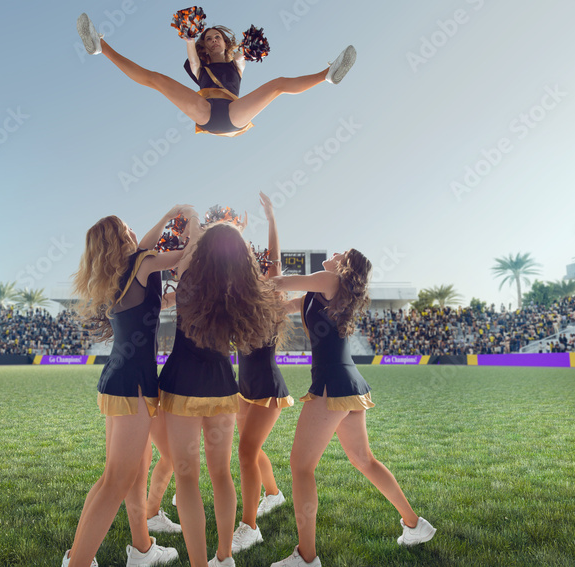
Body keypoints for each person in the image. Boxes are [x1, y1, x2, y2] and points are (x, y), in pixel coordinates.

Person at [271, 250, 435, 567]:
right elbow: (280, 305)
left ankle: (306, 558)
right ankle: (415, 525)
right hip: (349, 384)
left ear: (343, 266)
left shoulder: (328, 280)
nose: (332, 253)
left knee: (301, 467)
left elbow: (278, 282)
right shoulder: (317, 292)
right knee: (364, 460)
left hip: (332, 384)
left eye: (340, 253)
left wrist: (239, 280)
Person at [61, 206, 194, 567]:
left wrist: (169, 215)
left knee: (122, 475)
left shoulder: (123, 271)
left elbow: (145, 250)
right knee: (117, 481)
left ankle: (142, 550)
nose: (136, 232)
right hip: (134, 384)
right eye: (128, 229)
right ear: (120, 239)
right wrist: (192, 221)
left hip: (118, 381)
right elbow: (185, 255)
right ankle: (79, 563)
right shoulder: (142, 264)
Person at [158, 221, 283, 567]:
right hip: (222, 385)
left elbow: (185, 247)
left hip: (181, 382)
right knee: (222, 474)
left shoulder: (187, 280)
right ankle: (224, 557)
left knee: (186, 477)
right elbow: (271, 266)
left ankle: (200, 564)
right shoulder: (244, 293)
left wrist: (187, 218)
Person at [75, 12, 356, 137]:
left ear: (225, 42)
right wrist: (189, 35)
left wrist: (250, 45)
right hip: (206, 112)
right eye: (207, 38)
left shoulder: (237, 63)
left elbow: (245, 51)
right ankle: (102, 47)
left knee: (277, 85)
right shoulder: (200, 66)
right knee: (157, 79)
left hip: (234, 114)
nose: (212, 40)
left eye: (217, 37)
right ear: (204, 47)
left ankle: (328, 74)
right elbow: (191, 49)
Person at [232, 193, 294, 554]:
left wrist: (270, 218)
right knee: (251, 451)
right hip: (244, 388)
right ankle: (273, 493)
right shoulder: (238, 299)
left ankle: (249, 525)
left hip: (268, 388)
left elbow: (275, 259)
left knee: (244, 452)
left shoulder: (271, 293)